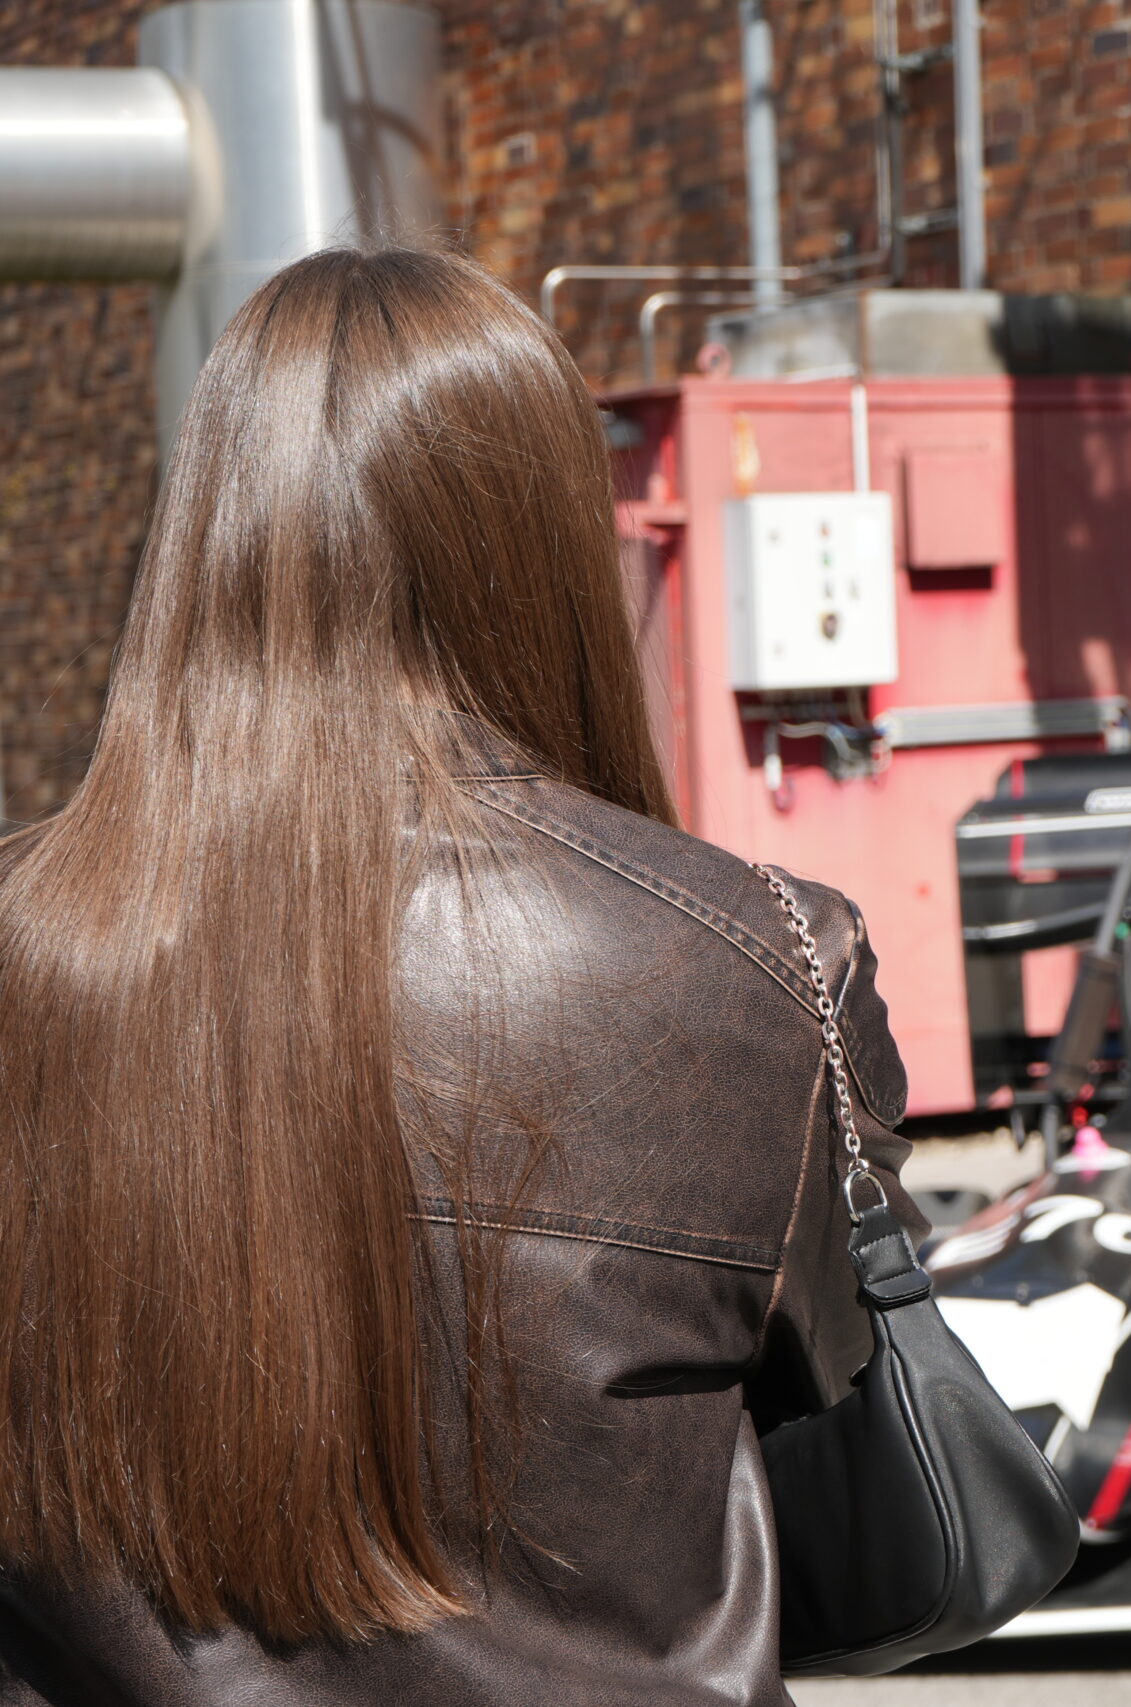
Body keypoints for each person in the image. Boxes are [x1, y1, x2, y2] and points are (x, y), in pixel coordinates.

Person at [0, 246, 923, 1702]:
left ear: (209, 528)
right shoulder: (760, 959)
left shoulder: (30, 949)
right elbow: (852, 1395)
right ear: (548, 542)